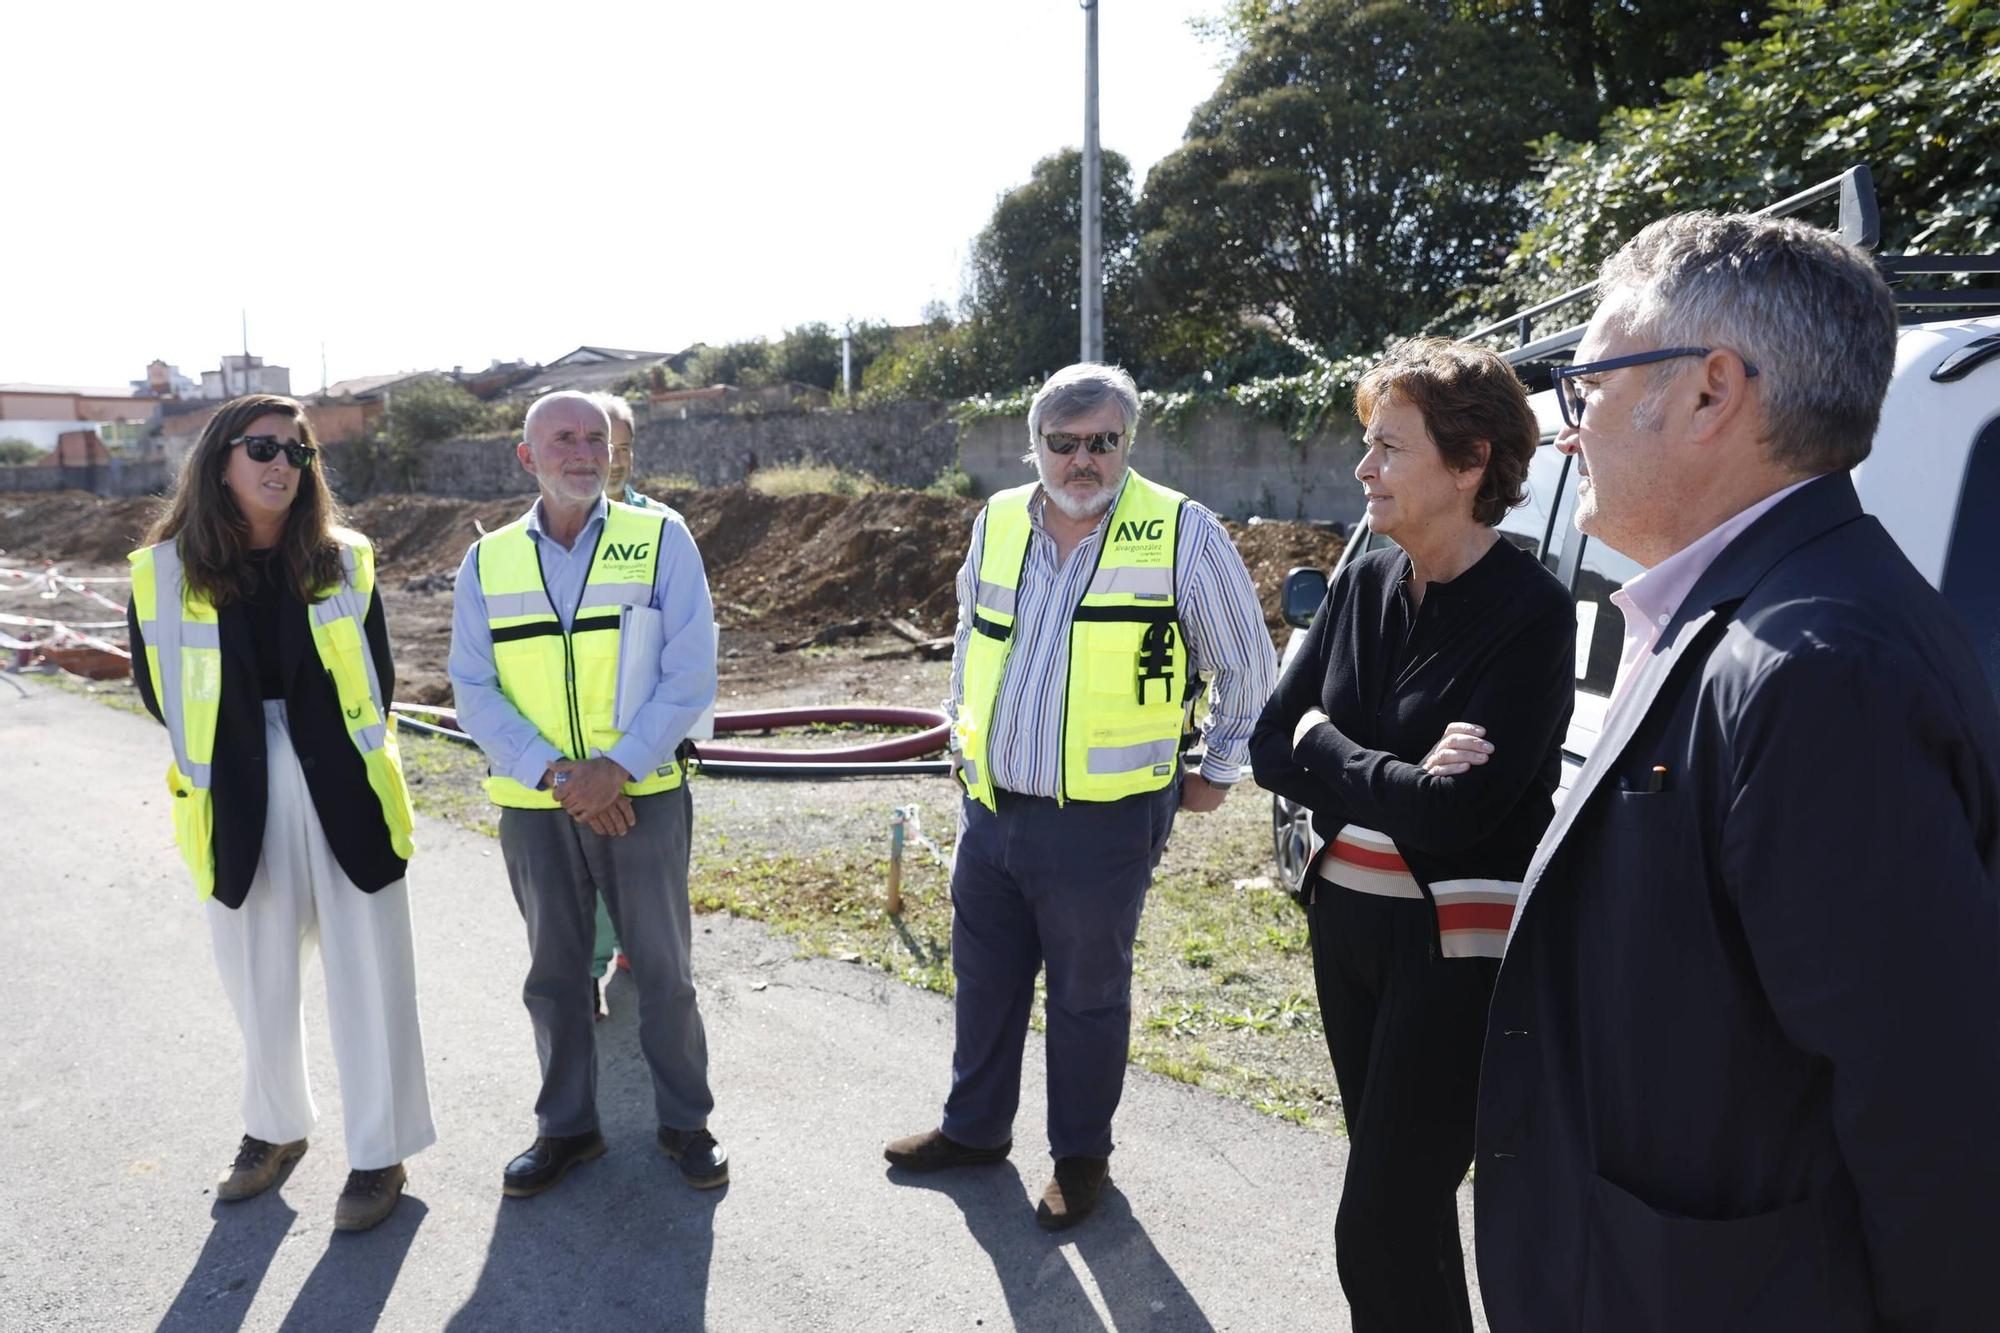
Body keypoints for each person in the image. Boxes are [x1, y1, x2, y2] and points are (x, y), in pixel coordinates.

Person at [1475, 213, 2000, 1332]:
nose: (1569, 432)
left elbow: (1930, 1114)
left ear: (1711, 392)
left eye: (1589, 385)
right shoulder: (1748, 611)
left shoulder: (1819, 669)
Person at [884, 362, 1276, 1229]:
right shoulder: (995, 524)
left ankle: (1080, 1157)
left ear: (1126, 442)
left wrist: (1217, 768)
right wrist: (961, 736)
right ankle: (975, 1130)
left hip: (1105, 820)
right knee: (985, 980)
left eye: (1103, 441)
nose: (1083, 461)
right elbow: (966, 639)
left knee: (1087, 994)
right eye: (1064, 444)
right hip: (993, 807)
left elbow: (1247, 663)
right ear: (1036, 448)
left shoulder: (1182, 531)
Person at [1247, 340, 1574, 1331]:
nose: (1362, 470)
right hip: (1342, 929)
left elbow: (1456, 814)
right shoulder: (1357, 586)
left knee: (1376, 1224)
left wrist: (1329, 745)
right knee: (1408, 1204)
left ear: (1468, 460)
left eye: (1387, 448)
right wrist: (1387, 766)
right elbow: (1269, 744)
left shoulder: (1529, 613)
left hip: (1452, 949)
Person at [127, 393, 434, 1232]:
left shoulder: (347, 558)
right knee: (256, 976)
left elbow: (378, 677)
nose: (280, 466)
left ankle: (380, 1152)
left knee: (369, 973)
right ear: (219, 459)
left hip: (341, 780)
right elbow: (158, 691)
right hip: (237, 789)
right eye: (262, 449)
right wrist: (246, 742)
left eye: (297, 454)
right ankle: (274, 1130)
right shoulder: (160, 571)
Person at [448, 389, 726, 1197]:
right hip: (539, 804)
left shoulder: (661, 537)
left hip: (644, 793)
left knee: (665, 972)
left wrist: (618, 765)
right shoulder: (488, 560)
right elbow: (471, 685)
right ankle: (565, 1128)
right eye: (562, 438)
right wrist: (561, 775)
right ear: (527, 457)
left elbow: (690, 668)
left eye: (594, 438)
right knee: (555, 975)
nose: (581, 451)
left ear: (613, 452)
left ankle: (686, 1123)